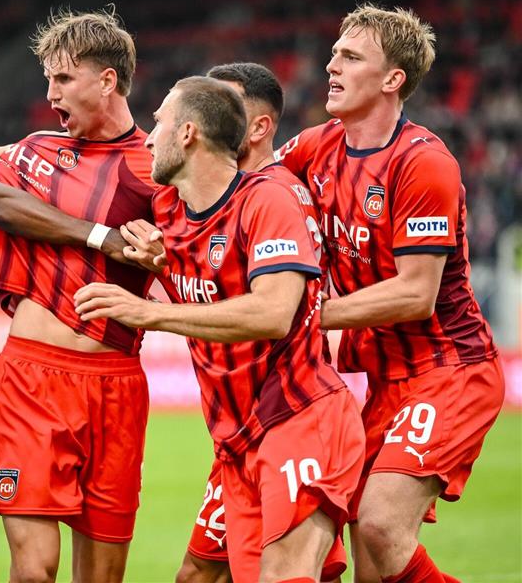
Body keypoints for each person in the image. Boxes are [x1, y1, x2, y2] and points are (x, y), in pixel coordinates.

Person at [75, 76, 365, 582]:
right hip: (236, 439)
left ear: (187, 133)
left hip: (298, 416)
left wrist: (150, 314)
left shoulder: (268, 200)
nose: (148, 136)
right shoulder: (168, 209)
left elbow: (273, 313)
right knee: (199, 576)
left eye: (159, 121)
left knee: (285, 575)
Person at [275, 4, 504, 583]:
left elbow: (415, 294)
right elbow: (249, 188)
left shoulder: (423, 162)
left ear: (392, 79)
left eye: (350, 57)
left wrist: (304, 313)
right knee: (370, 559)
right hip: (383, 382)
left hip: (450, 370)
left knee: (379, 523)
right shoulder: (313, 148)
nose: (331, 66)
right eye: (334, 54)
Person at [0, 8, 158, 583]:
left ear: (107, 80)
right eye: (47, 80)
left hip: (117, 385)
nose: (49, 94)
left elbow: (196, 262)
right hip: (33, 380)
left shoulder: (162, 169)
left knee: (102, 577)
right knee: (35, 570)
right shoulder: (29, 153)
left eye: (63, 79)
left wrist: (163, 250)